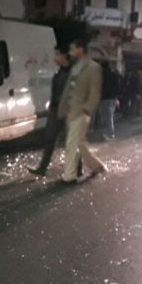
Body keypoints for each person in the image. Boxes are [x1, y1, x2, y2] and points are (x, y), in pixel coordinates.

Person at [58, 39, 107, 185]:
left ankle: (69, 176)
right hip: (71, 111)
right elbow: (68, 89)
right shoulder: (75, 67)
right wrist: (62, 108)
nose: (70, 52)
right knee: (80, 144)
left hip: (81, 112)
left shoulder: (93, 67)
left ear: (80, 49)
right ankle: (97, 166)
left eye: (72, 49)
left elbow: (95, 92)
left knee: (71, 144)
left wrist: (87, 108)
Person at [28, 46, 72, 176]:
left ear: (64, 56)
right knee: (50, 138)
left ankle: (76, 169)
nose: (55, 58)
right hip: (56, 110)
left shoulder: (72, 73)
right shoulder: (60, 73)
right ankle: (42, 167)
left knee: (71, 141)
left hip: (68, 111)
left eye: (57, 55)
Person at [99, 61, 120, 140]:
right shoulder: (113, 74)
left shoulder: (102, 75)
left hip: (105, 98)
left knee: (107, 117)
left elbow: (100, 86)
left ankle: (110, 134)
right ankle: (109, 133)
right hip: (113, 98)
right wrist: (117, 97)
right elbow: (118, 86)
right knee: (110, 116)